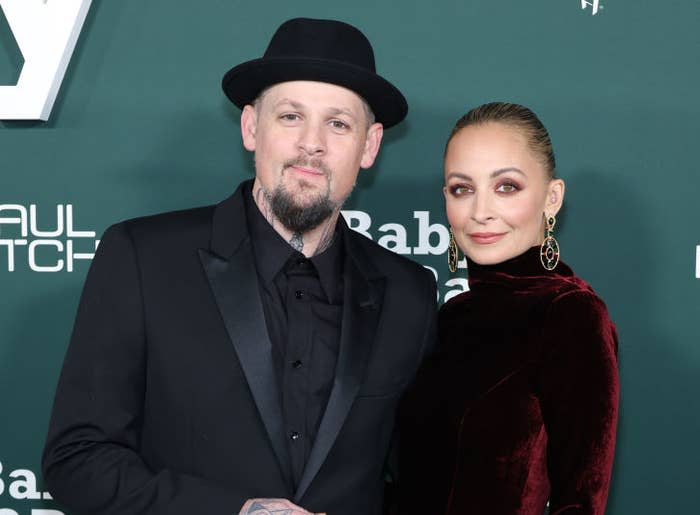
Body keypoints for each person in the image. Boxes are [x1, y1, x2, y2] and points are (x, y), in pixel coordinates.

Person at [42, 18, 437, 515]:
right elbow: (77, 460)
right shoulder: (144, 259)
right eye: (291, 116)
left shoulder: (410, 293)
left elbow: (419, 481)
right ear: (252, 127)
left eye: (338, 123)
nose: (311, 143)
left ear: (370, 146)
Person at [397, 102, 619, 515]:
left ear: (552, 198)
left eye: (506, 187)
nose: (480, 212)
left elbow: (580, 500)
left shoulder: (570, 313)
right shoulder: (450, 316)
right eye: (462, 189)